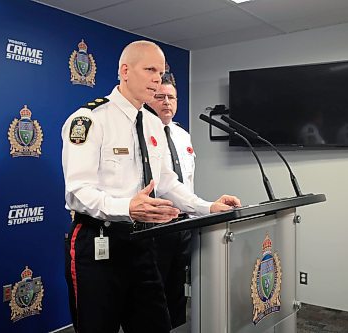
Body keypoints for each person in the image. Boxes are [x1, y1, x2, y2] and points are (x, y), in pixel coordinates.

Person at [61, 40, 241, 333]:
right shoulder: (89, 120)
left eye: (161, 72)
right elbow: (77, 191)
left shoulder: (154, 123)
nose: (158, 78)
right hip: (98, 243)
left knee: (155, 325)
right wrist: (127, 207)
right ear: (125, 71)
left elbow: (167, 182)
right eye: (150, 70)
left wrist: (207, 207)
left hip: (143, 243)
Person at [145, 78, 194, 329]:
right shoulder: (141, 132)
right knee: (155, 296)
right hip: (155, 228)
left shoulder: (183, 135)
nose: (166, 103)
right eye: (160, 97)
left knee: (177, 291)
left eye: (171, 98)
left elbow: (186, 183)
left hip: (182, 226)